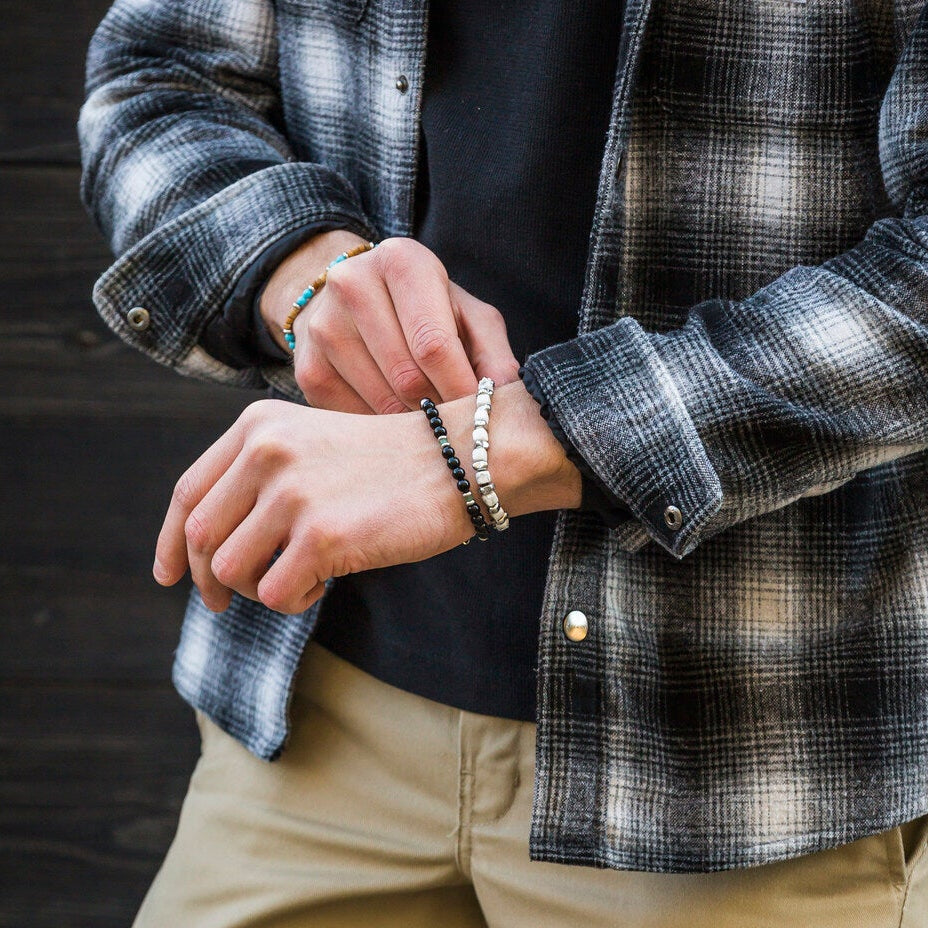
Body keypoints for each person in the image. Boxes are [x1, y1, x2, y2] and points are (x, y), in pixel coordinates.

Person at [79, 0, 928, 924]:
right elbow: (160, 74)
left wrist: (481, 453)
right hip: (318, 712)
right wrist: (304, 271)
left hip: (744, 775)